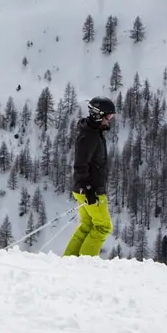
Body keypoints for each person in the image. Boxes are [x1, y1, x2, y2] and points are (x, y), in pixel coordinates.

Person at [64, 96, 116, 257]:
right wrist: (88, 190)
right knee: (103, 227)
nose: (110, 120)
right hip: (91, 190)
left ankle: (69, 260)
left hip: (83, 188)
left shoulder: (92, 132)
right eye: (108, 116)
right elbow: (80, 165)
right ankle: (85, 265)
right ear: (97, 114)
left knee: (87, 225)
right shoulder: (89, 137)